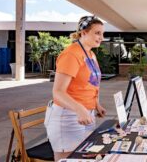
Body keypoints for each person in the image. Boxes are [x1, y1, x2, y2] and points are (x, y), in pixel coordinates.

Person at [44, 16, 106, 161]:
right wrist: (80, 109)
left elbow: (92, 82)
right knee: (69, 159)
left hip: (86, 115)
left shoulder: (91, 54)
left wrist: (96, 103)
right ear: (83, 32)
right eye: (97, 33)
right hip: (68, 117)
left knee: (84, 157)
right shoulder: (71, 54)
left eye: (102, 34)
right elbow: (58, 92)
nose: (101, 38)